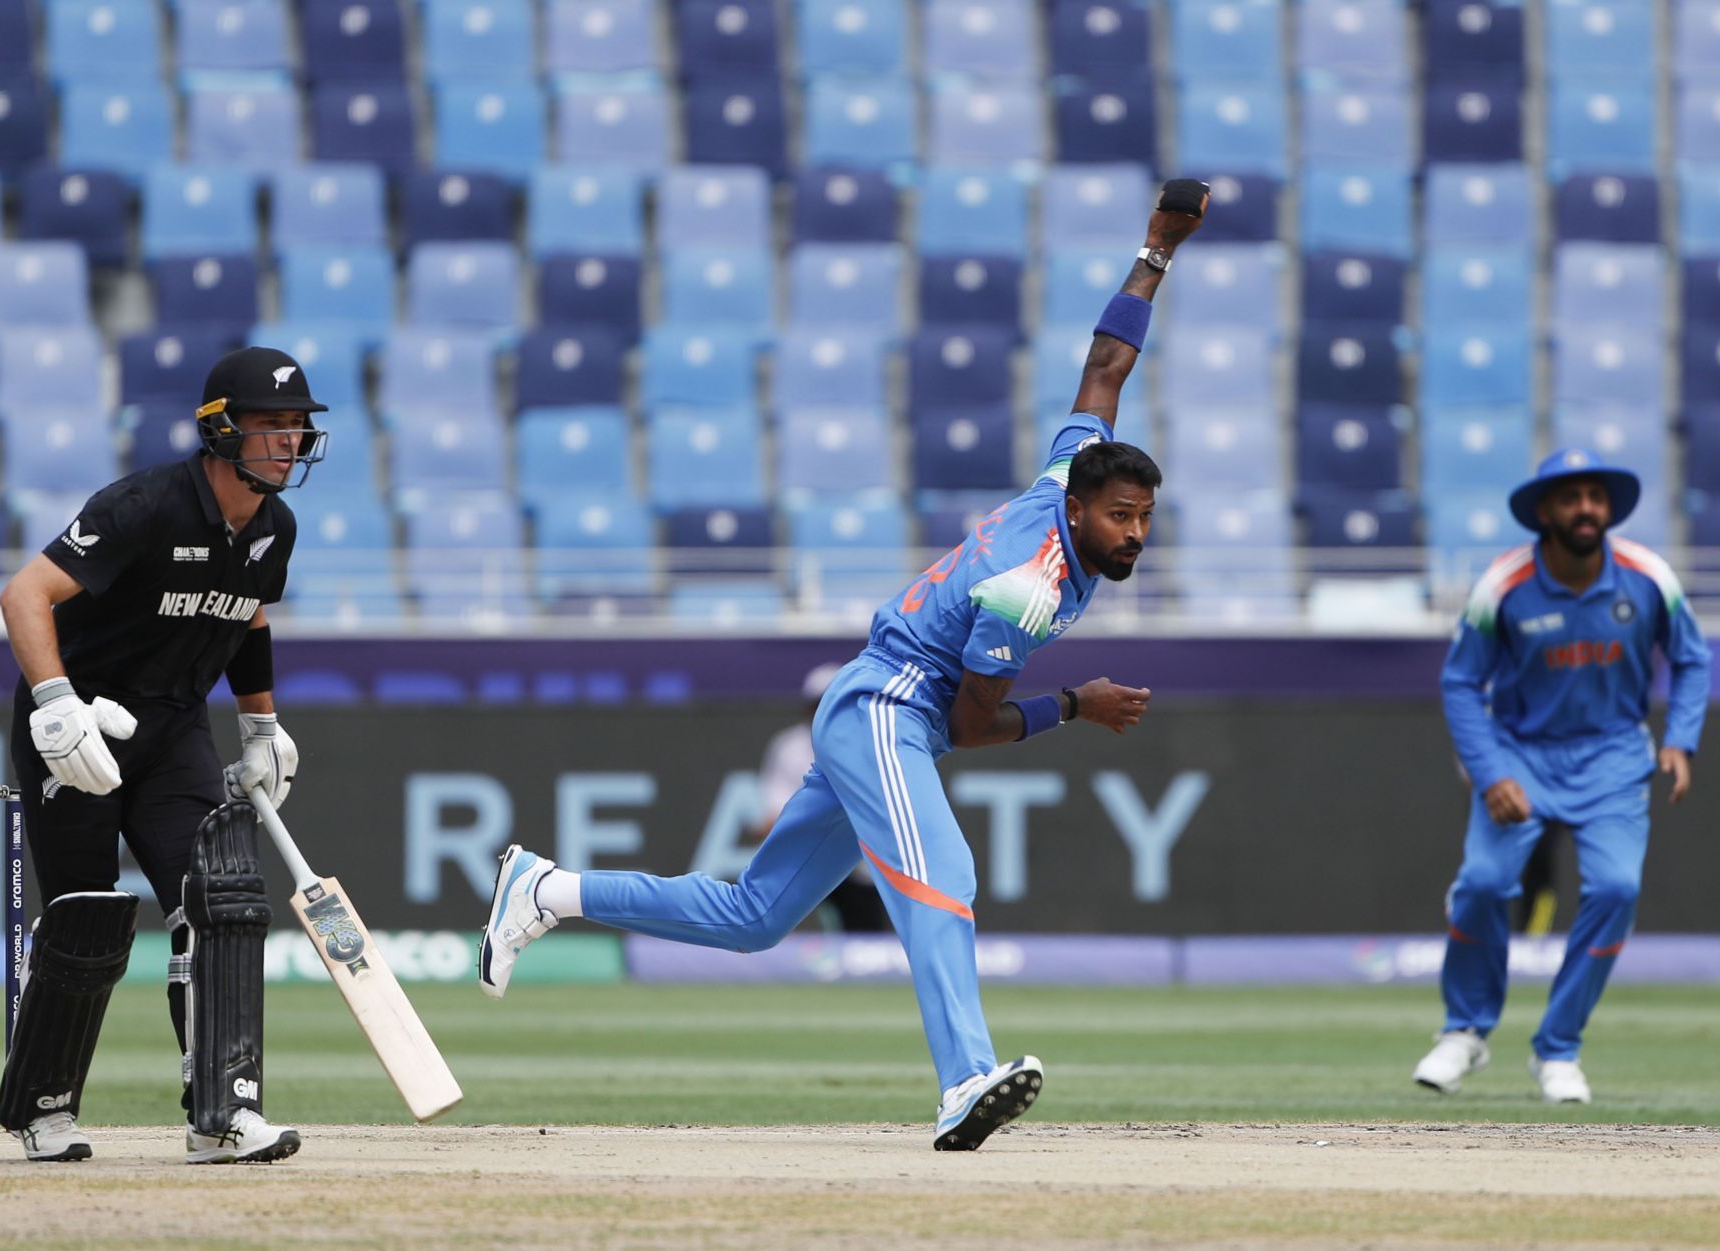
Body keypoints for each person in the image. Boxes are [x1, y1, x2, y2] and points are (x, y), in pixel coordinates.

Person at [478, 181, 1211, 1151]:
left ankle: (546, 890)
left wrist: (1157, 246)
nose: (1136, 536)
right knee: (938, 869)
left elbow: (1106, 366)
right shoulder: (1026, 588)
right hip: (888, 708)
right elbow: (968, 727)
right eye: (1122, 519)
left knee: (751, 917)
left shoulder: (1065, 469)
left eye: (1146, 519)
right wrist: (1072, 705)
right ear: (1079, 512)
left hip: (876, 704)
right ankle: (964, 1082)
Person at [0, 347, 328, 1163]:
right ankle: (45, 1107)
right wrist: (54, 705)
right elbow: (24, 593)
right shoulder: (144, 504)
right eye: (270, 426)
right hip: (82, 723)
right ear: (220, 431)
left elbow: (247, 616)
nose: (288, 443)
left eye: (297, 428)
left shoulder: (274, 528)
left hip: (175, 727)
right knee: (86, 915)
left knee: (218, 903)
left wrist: (261, 726)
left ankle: (221, 1114)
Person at [1413, 449, 1711, 1104]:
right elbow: (1461, 682)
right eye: (1571, 497)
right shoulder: (1504, 583)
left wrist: (1681, 740)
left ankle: (1559, 1048)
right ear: (1544, 510)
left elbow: (1693, 659)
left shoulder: (1648, 576)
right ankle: (1465, 1028)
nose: (1586, 509)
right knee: (1485, 883)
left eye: (1596, 497)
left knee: (1615, 887)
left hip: (1613, 756)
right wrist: (1490, 771)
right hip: (1521, 751)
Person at [753, 662, 889, 933]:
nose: (822, 711)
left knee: (866, 934)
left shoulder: (872, 742)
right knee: (777, 921)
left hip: (859, 863)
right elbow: (777, 807)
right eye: (816, 704)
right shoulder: (789, 747)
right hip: (805, 856)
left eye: (832, 702)